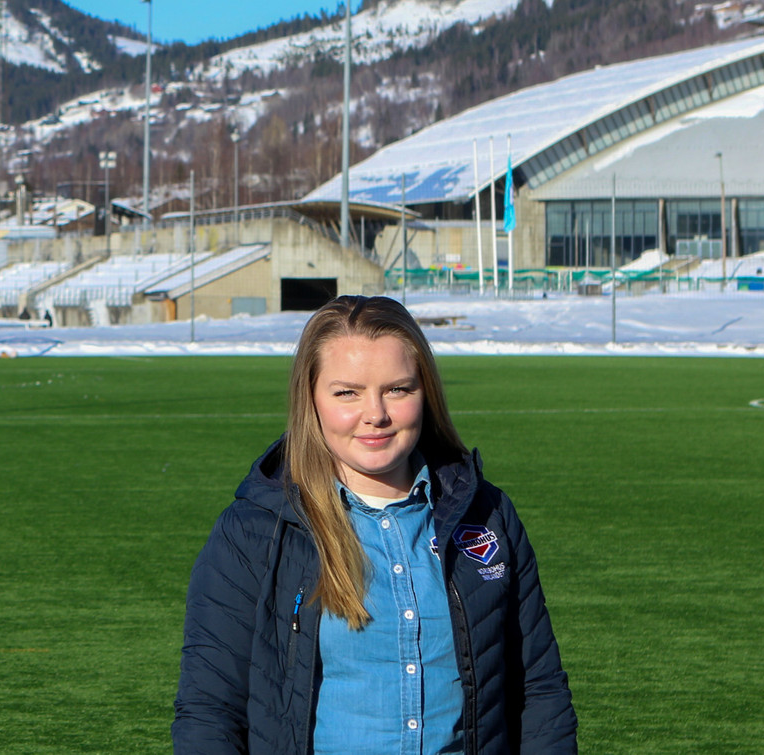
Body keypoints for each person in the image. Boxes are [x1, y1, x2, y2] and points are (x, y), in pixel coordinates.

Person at [173, 295, 575, 755]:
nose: (376, 414)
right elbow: (210, 712)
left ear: (426, 392)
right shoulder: (253, 531)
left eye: (398, 389)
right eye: (347, 392)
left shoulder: (488, 515)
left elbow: (540, 691)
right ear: (311, 399)